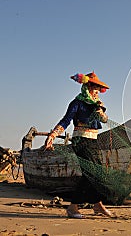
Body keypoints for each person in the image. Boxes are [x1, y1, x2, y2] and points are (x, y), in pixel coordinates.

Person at [44, 71, 112, 219]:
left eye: (98, 88)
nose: (96, 91)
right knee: (90, 173)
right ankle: (73, 207)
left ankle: (97, 204)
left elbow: (105, 120)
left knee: (99, 173)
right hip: (81, 141)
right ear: (86, 86)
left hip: (93, 140)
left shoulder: (97, 105)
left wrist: (101, 112)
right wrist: (53, 134)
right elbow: (66, 120)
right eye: (93, 87)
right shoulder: (77, 103)